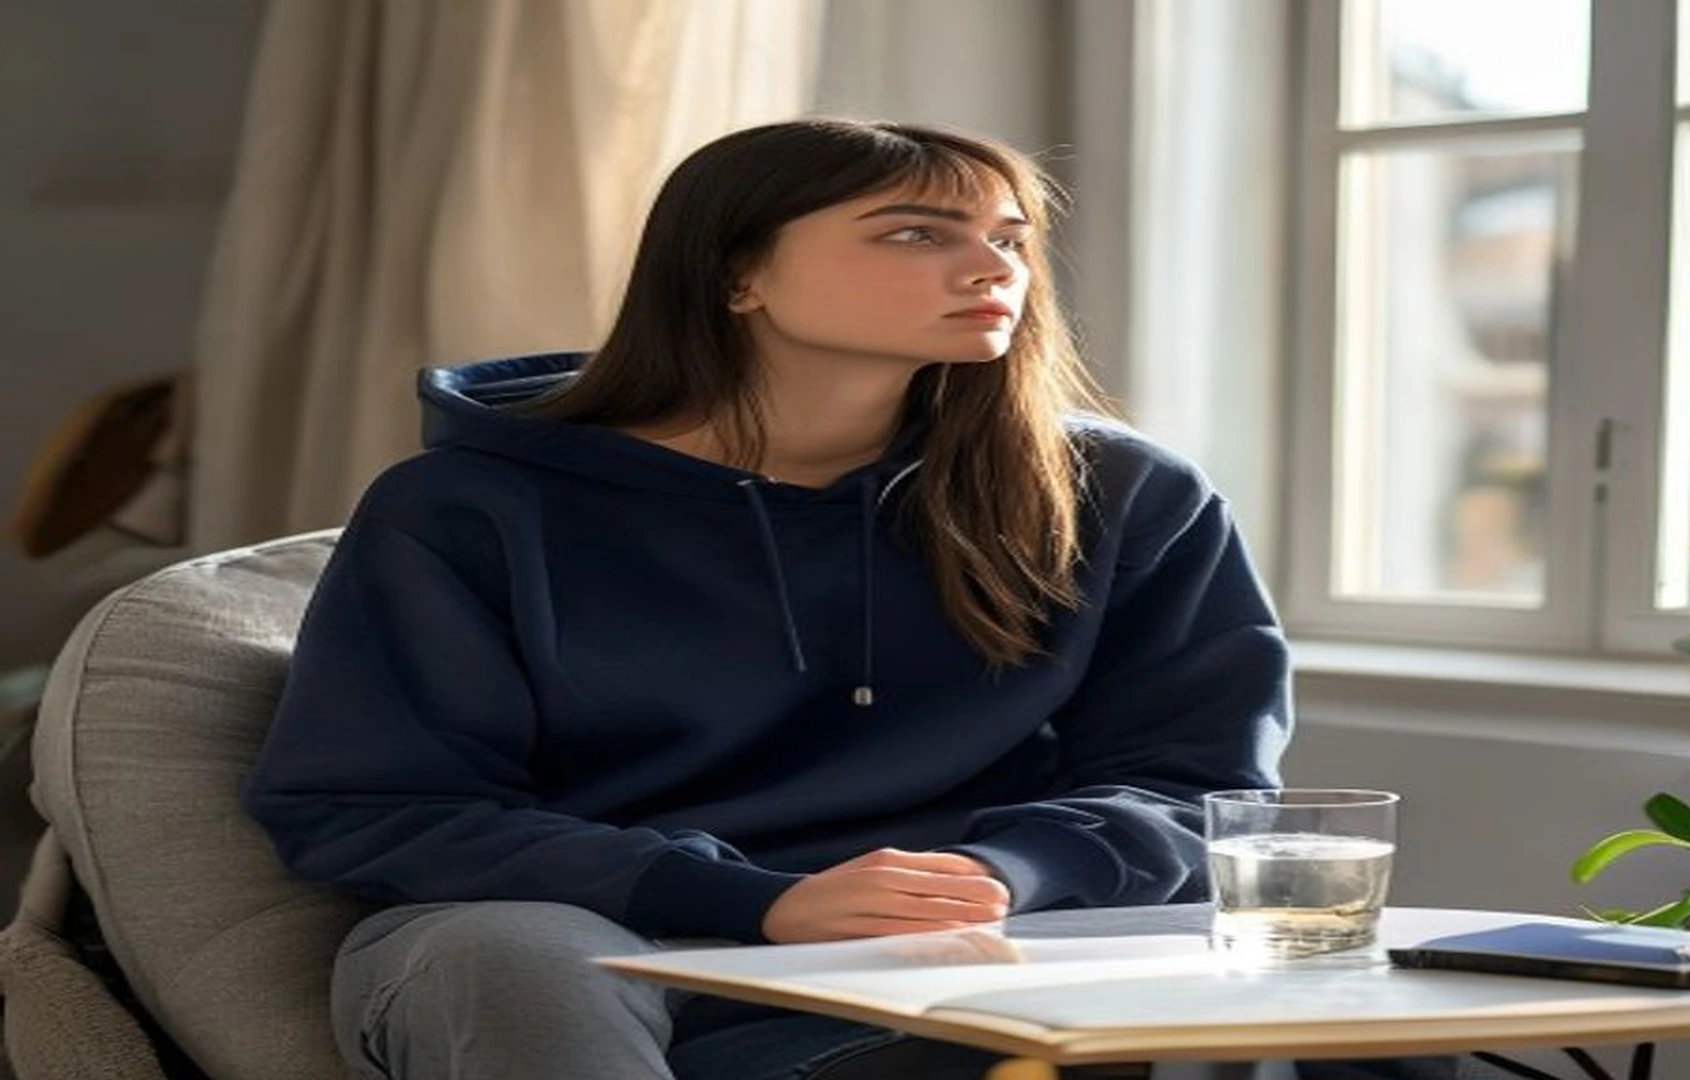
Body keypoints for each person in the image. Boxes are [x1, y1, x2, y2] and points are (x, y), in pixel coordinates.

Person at [243, 118, 1457, 1080]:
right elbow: (375, 804)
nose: (993, 267)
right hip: (600, 928)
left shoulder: (1123, 494)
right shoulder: (471, 507)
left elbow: (1202, 787)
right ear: (737, 278)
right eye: (914, 234)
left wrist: (1005, 875)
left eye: (1011, 236)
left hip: (975, 936)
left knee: (1309, 995)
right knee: (505, 963)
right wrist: (754, 901)